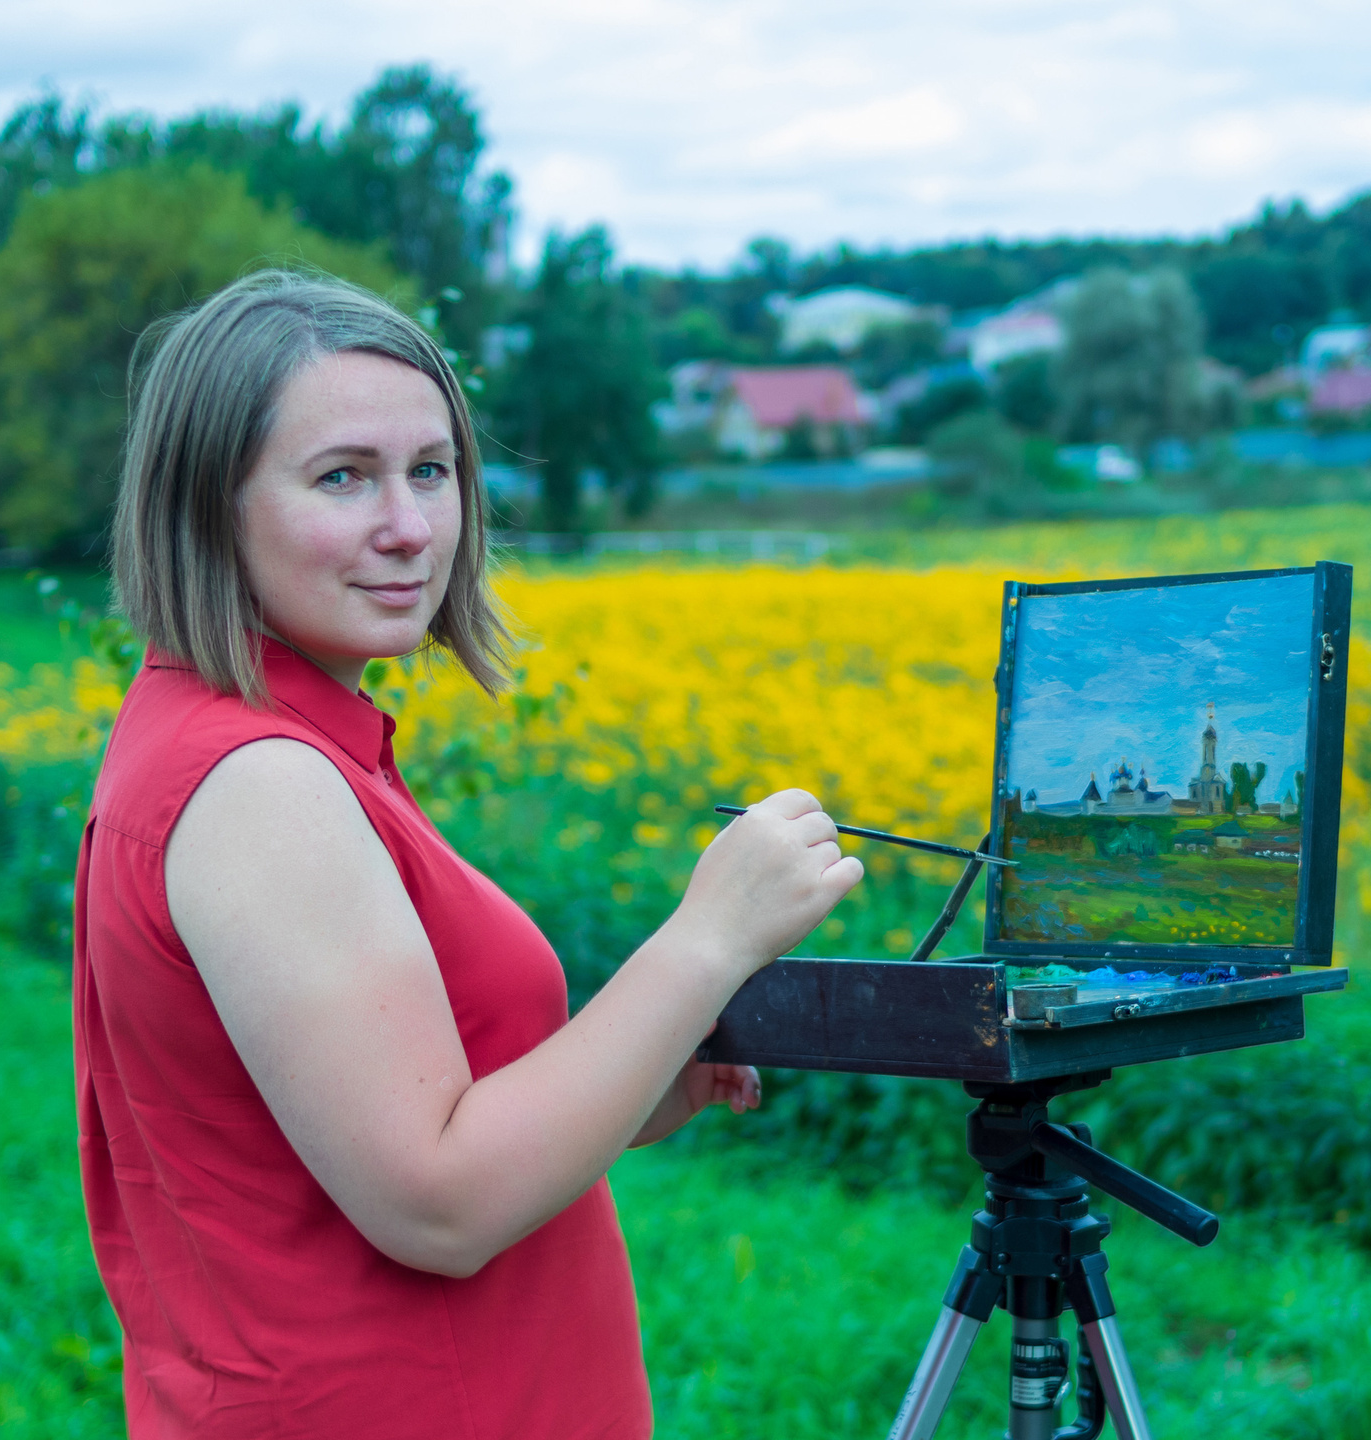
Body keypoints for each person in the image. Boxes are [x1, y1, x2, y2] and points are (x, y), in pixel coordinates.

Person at [75, 268, 864, 1438]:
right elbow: (436, 1202)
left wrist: (646, 1075)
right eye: (343, 476)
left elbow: (399, 1113)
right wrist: (708, 940)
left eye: (430, 471)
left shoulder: (270, 744)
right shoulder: (257, 786)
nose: (409, 526)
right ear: (208, 506)